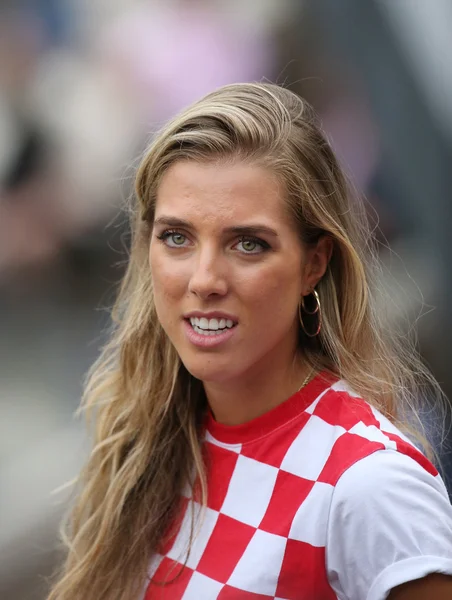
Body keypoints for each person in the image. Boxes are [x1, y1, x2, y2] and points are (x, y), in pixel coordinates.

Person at [47, 83, 452, 600]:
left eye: (248, 244)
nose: (204, 279)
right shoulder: (146, 447)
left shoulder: (370, 486)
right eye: (177, 237)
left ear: (314, 264)